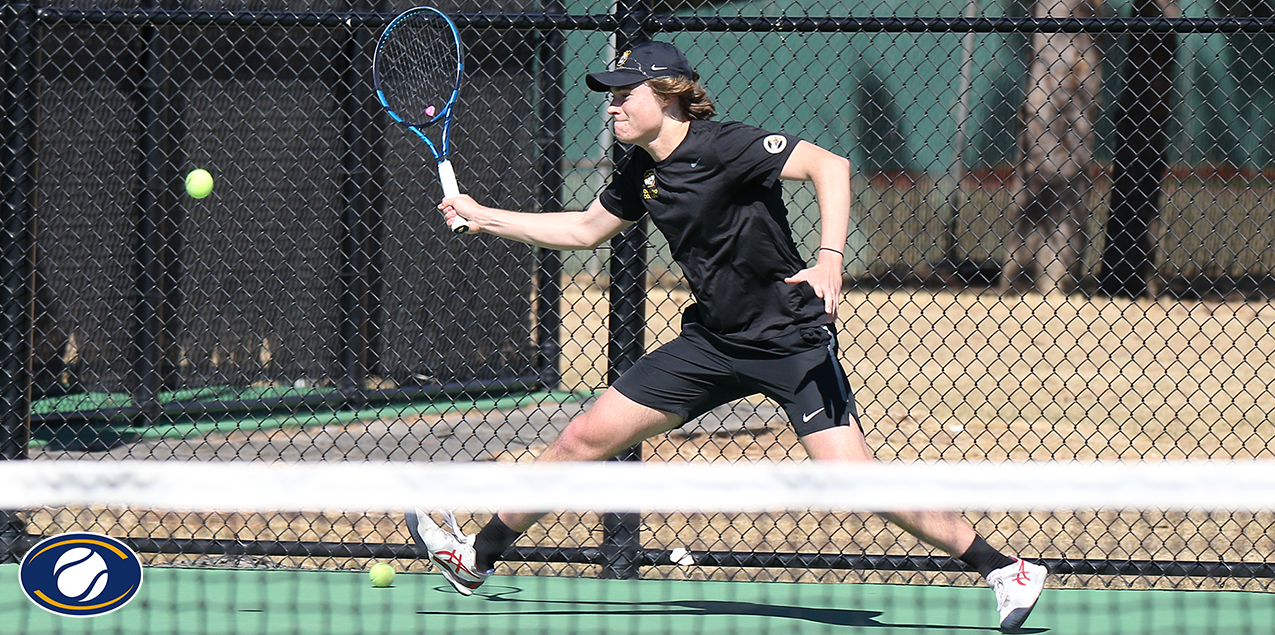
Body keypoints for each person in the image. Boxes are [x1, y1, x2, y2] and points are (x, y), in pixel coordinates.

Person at [408, 41, 1047, 631]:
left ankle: (1006, 569)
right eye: (608, 95)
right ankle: (477, 557)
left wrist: (830, 255)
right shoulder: (639, 171)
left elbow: (831, 165)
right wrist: (483, 216)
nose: (612, 106)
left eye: (624, 93)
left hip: (789, 343)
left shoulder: (726, 145)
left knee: (855, 481)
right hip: (711, 343)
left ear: (667, 93)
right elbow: (583, 229)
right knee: (581, 438)